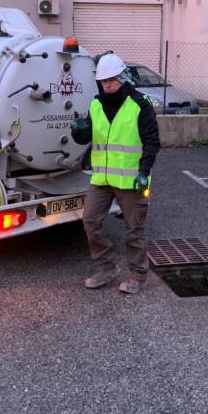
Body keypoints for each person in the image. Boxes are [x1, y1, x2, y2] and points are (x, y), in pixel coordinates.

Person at [71, 53, 160, 294]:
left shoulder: (140, 104)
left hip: (131, 179)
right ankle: (107, 268)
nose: (107, 84)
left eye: (111, 79)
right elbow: (90, 136)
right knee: (90, 221)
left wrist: (144, 171)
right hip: (101, 179)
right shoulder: (96, 104)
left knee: (134, 230)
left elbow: (152, 142)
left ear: (122, 77)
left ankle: (138, 275)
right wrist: (80, 133)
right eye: (103, 81)